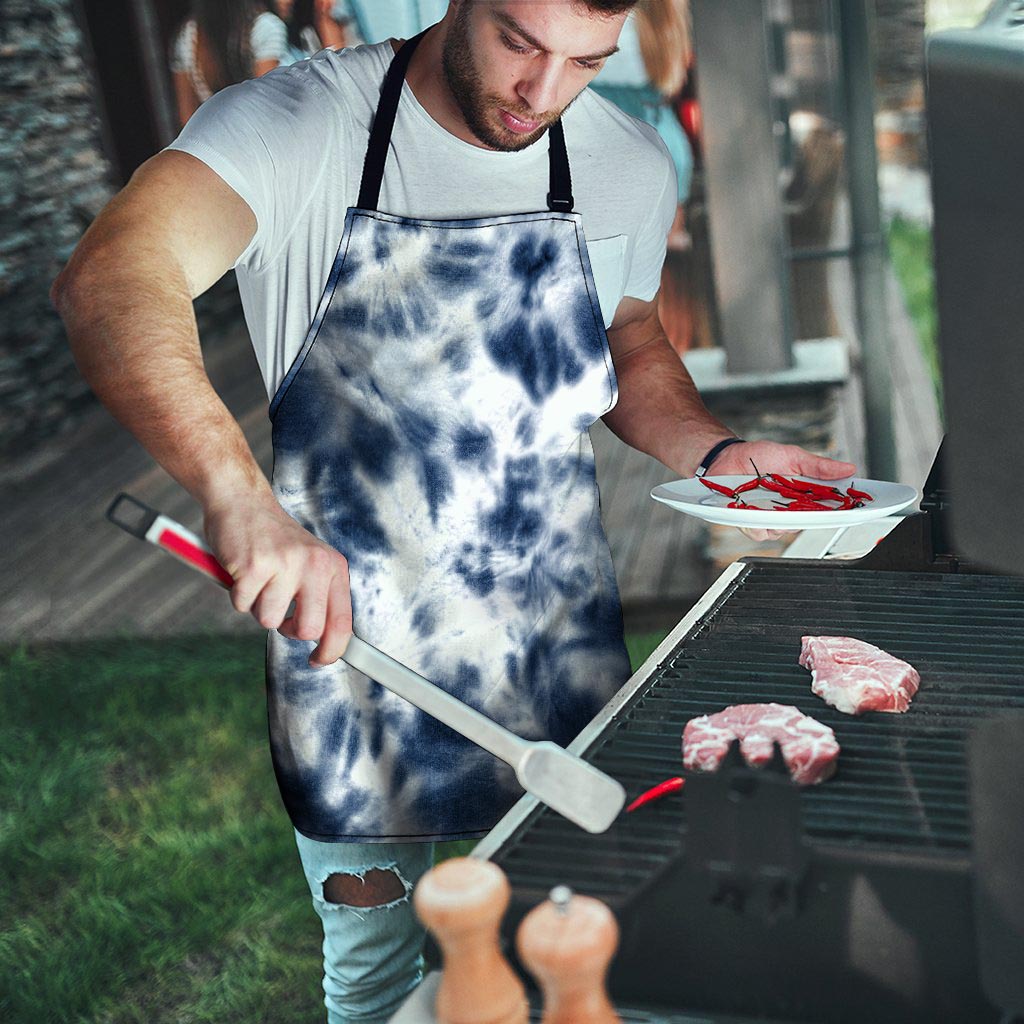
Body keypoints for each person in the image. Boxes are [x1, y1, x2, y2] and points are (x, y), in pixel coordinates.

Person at [52, 2, 856, 1020]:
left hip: (558, 652)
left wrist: (717, 449)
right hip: (355, 671)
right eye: (521, 42)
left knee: (584, 950)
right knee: (383, 981)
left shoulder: (624, 160)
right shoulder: (299, 126)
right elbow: (112, 275)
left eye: (585, 62)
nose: (543, 93)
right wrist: (237, 496)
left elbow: (630, 335)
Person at [170, 0, 289, 126]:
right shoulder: (265, 27)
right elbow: (266, 105)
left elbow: (187, 118)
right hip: (264, 135)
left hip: (215, 138)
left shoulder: (187, 36)